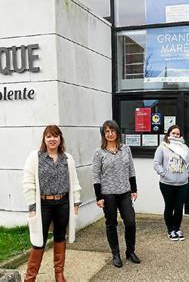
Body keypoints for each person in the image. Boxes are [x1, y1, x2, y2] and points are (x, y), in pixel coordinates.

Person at [22, 125, 82, 282]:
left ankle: (59, 275)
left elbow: (74, 182)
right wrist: (32, 207)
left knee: (60, 238)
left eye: (55, 136)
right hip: (43, 205)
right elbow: (28, 183)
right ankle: (30, 278)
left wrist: (76, 203)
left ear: (60, 138)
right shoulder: (35, 157)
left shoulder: (67, 158)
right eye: (49, 136)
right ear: (44, 139)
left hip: (63, 204)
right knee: (38, 241)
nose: (52, 139)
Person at [92, 120, 140, 268]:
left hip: (125, 192)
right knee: (111, 224)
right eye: (106, 131)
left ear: (117, 132)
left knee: (130, 222)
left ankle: (130, 251)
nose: (110, 134)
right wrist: (98, 197)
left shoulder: (126, 149)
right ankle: (115, 254)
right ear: (103, 134)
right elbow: (96, 176)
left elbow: (131, 170)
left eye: (112, 131)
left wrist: (134, 189)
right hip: (108, 194)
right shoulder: (99, 153)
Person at [153, 125, 189, 241]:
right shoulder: (162, 147)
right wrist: (165, 174)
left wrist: (188, 174)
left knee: (179, 207)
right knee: (169, 206)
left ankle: (177, 228)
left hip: (182, 184)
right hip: (167, 184)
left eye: (178, 134)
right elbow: (156, 163)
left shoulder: (185, 148)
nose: (176, 135)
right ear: (168, 134)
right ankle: (170, 230)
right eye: (173, 133)